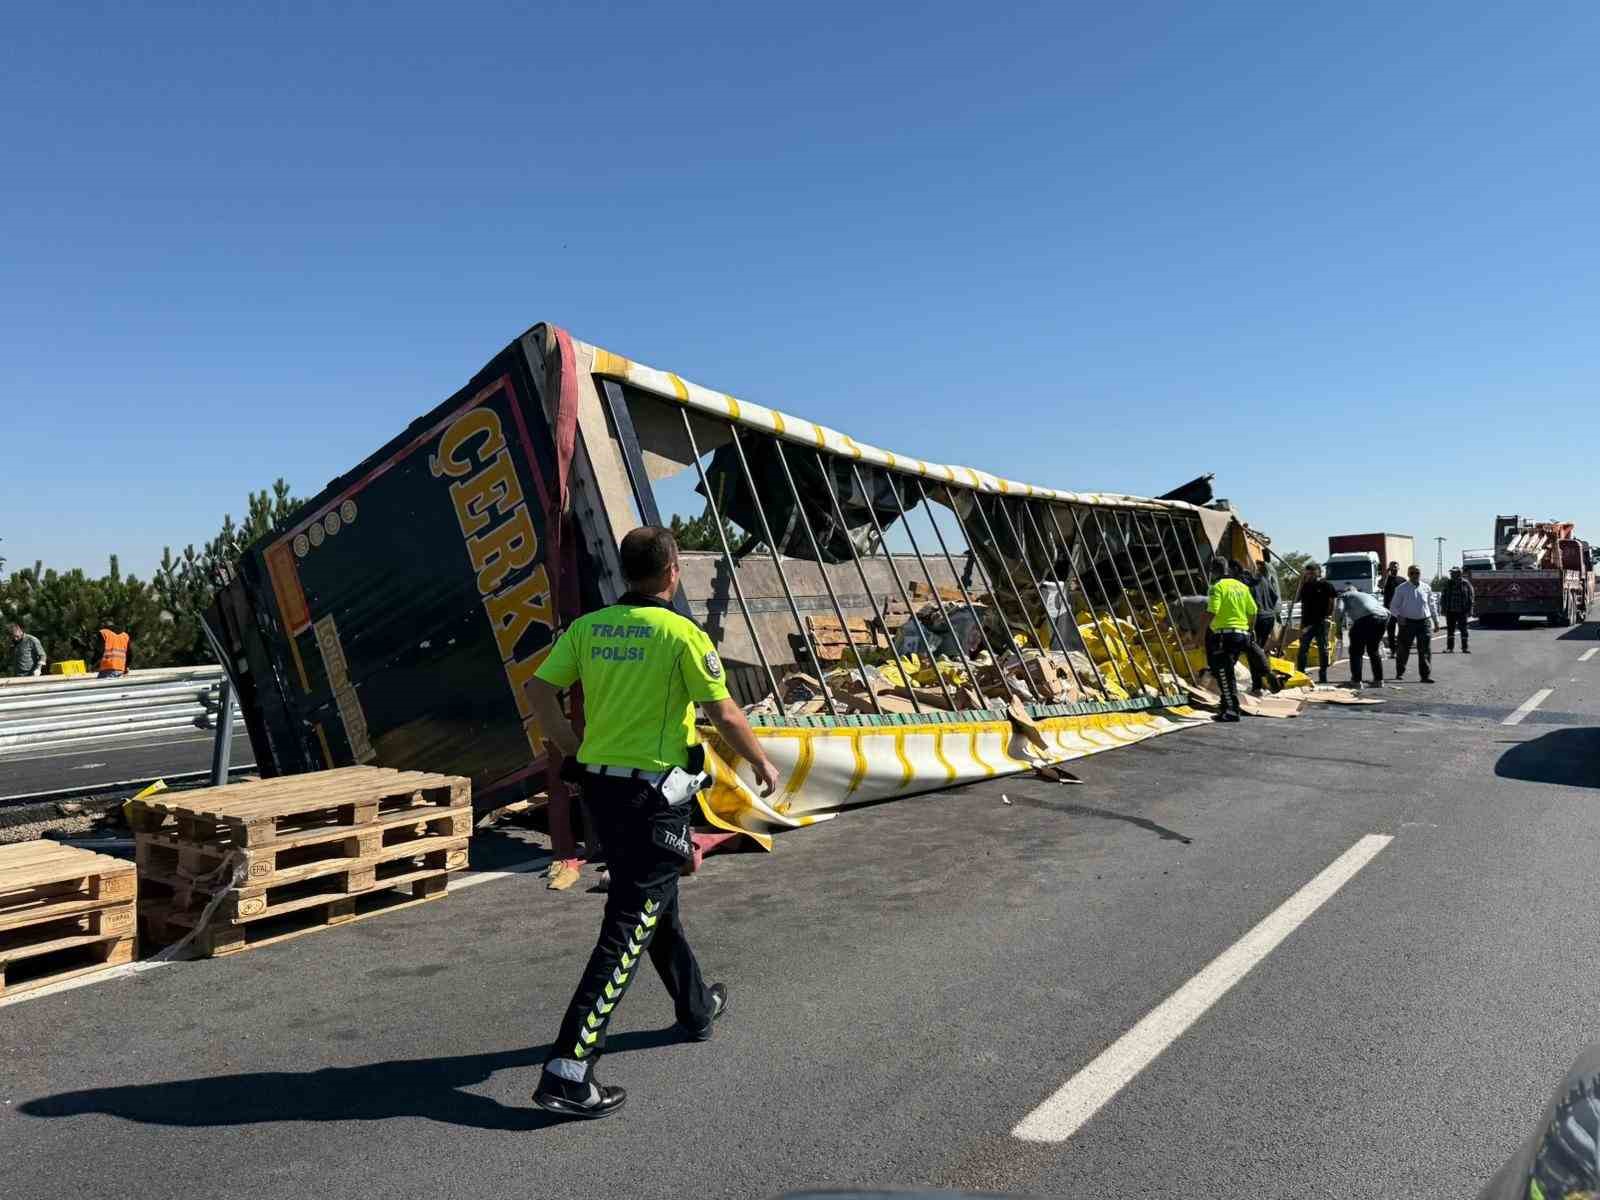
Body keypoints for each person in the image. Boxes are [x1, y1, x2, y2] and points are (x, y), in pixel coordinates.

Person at [524, 526, 782, 1119]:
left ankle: (695, 1009)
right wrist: (761, 761)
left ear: (624, 573)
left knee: (653, 904)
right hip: (653, 800)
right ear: (673, 571)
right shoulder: (681, 635)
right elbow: (722, 710)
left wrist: (571, 748)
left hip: (603, 793)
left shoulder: (588, 629)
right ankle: (568, 1069)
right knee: (627, 928)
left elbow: (539, 690)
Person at [1205, 555, 1257, 723]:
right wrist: (1250, 629)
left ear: (1214, 571)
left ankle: (1232, 711)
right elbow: (1253, 611)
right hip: (1241, 634)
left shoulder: (1217, 587)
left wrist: (1200, 634)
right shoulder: (1242, 587)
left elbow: (1213, 610)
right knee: (1226, 672)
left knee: (1223, 673)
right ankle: (1226, 706)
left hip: (1223, 635)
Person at [1389, 565, 1435, 684]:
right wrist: (1399, 616)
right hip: (1407, 623)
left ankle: (1425, 676)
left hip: (1424, 622)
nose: (1415, 575)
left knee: (1425, 649)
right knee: (1403, 649)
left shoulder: (1426, 588)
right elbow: (1393, 606)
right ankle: (1400, 672)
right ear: (1409, 575)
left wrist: (1436, 620)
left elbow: (1431, 605)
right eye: (1412, 573)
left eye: (1417, 573)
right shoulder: (1401, 588)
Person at [1293, 563, 1338, 684]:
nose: (1310, 576)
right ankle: (1301, 673)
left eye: (1312, 573)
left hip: (1321, 622)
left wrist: (1329, 617)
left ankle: (1323, 675)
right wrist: (1301, 582)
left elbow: (1332, 602)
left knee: (1322, 648)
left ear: (1318, 572)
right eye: (1307, 574)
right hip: (1307, 622)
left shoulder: (1326, 585)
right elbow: (1296, 599)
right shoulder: (1305, 586)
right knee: (1303, 648)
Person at [1336, 584, 1388, 689]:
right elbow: (1387, 612)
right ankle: (1379, 680)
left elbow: (1339, 610)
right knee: (1373, 650)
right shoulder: (1367, 595)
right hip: (1382, 618)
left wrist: (1338, 628)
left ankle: (1356, 681)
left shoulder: (1344, 595)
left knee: (1356, 651)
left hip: (1365, 618)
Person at [1440, 566, 1474, 653]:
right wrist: (1443, 609)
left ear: (1459, 573)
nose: (1452, 574)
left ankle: (1465, 647)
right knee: (1450, 630)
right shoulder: (1448, 583)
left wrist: (1470, 610)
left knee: (1464, 630)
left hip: (1462, 611)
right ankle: (1450, 648)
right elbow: (1443, 597)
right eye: (1451, 573)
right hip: (1450, 611)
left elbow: (1471, 597)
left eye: (1454, 573)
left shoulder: (1466, 583)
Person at [1380, 561, 1403, 654]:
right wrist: (1386, 573)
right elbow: (1381, 585)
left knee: (1402, 630)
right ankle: (1393, 650)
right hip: (1389, 610)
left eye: (1396, 567)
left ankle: (1401, 649)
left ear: (1398, 568)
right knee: (1391, 632)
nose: (1394, 569)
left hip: (1401, 610)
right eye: (1392, 567)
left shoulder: (1402, 580)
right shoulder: (1386, 579)